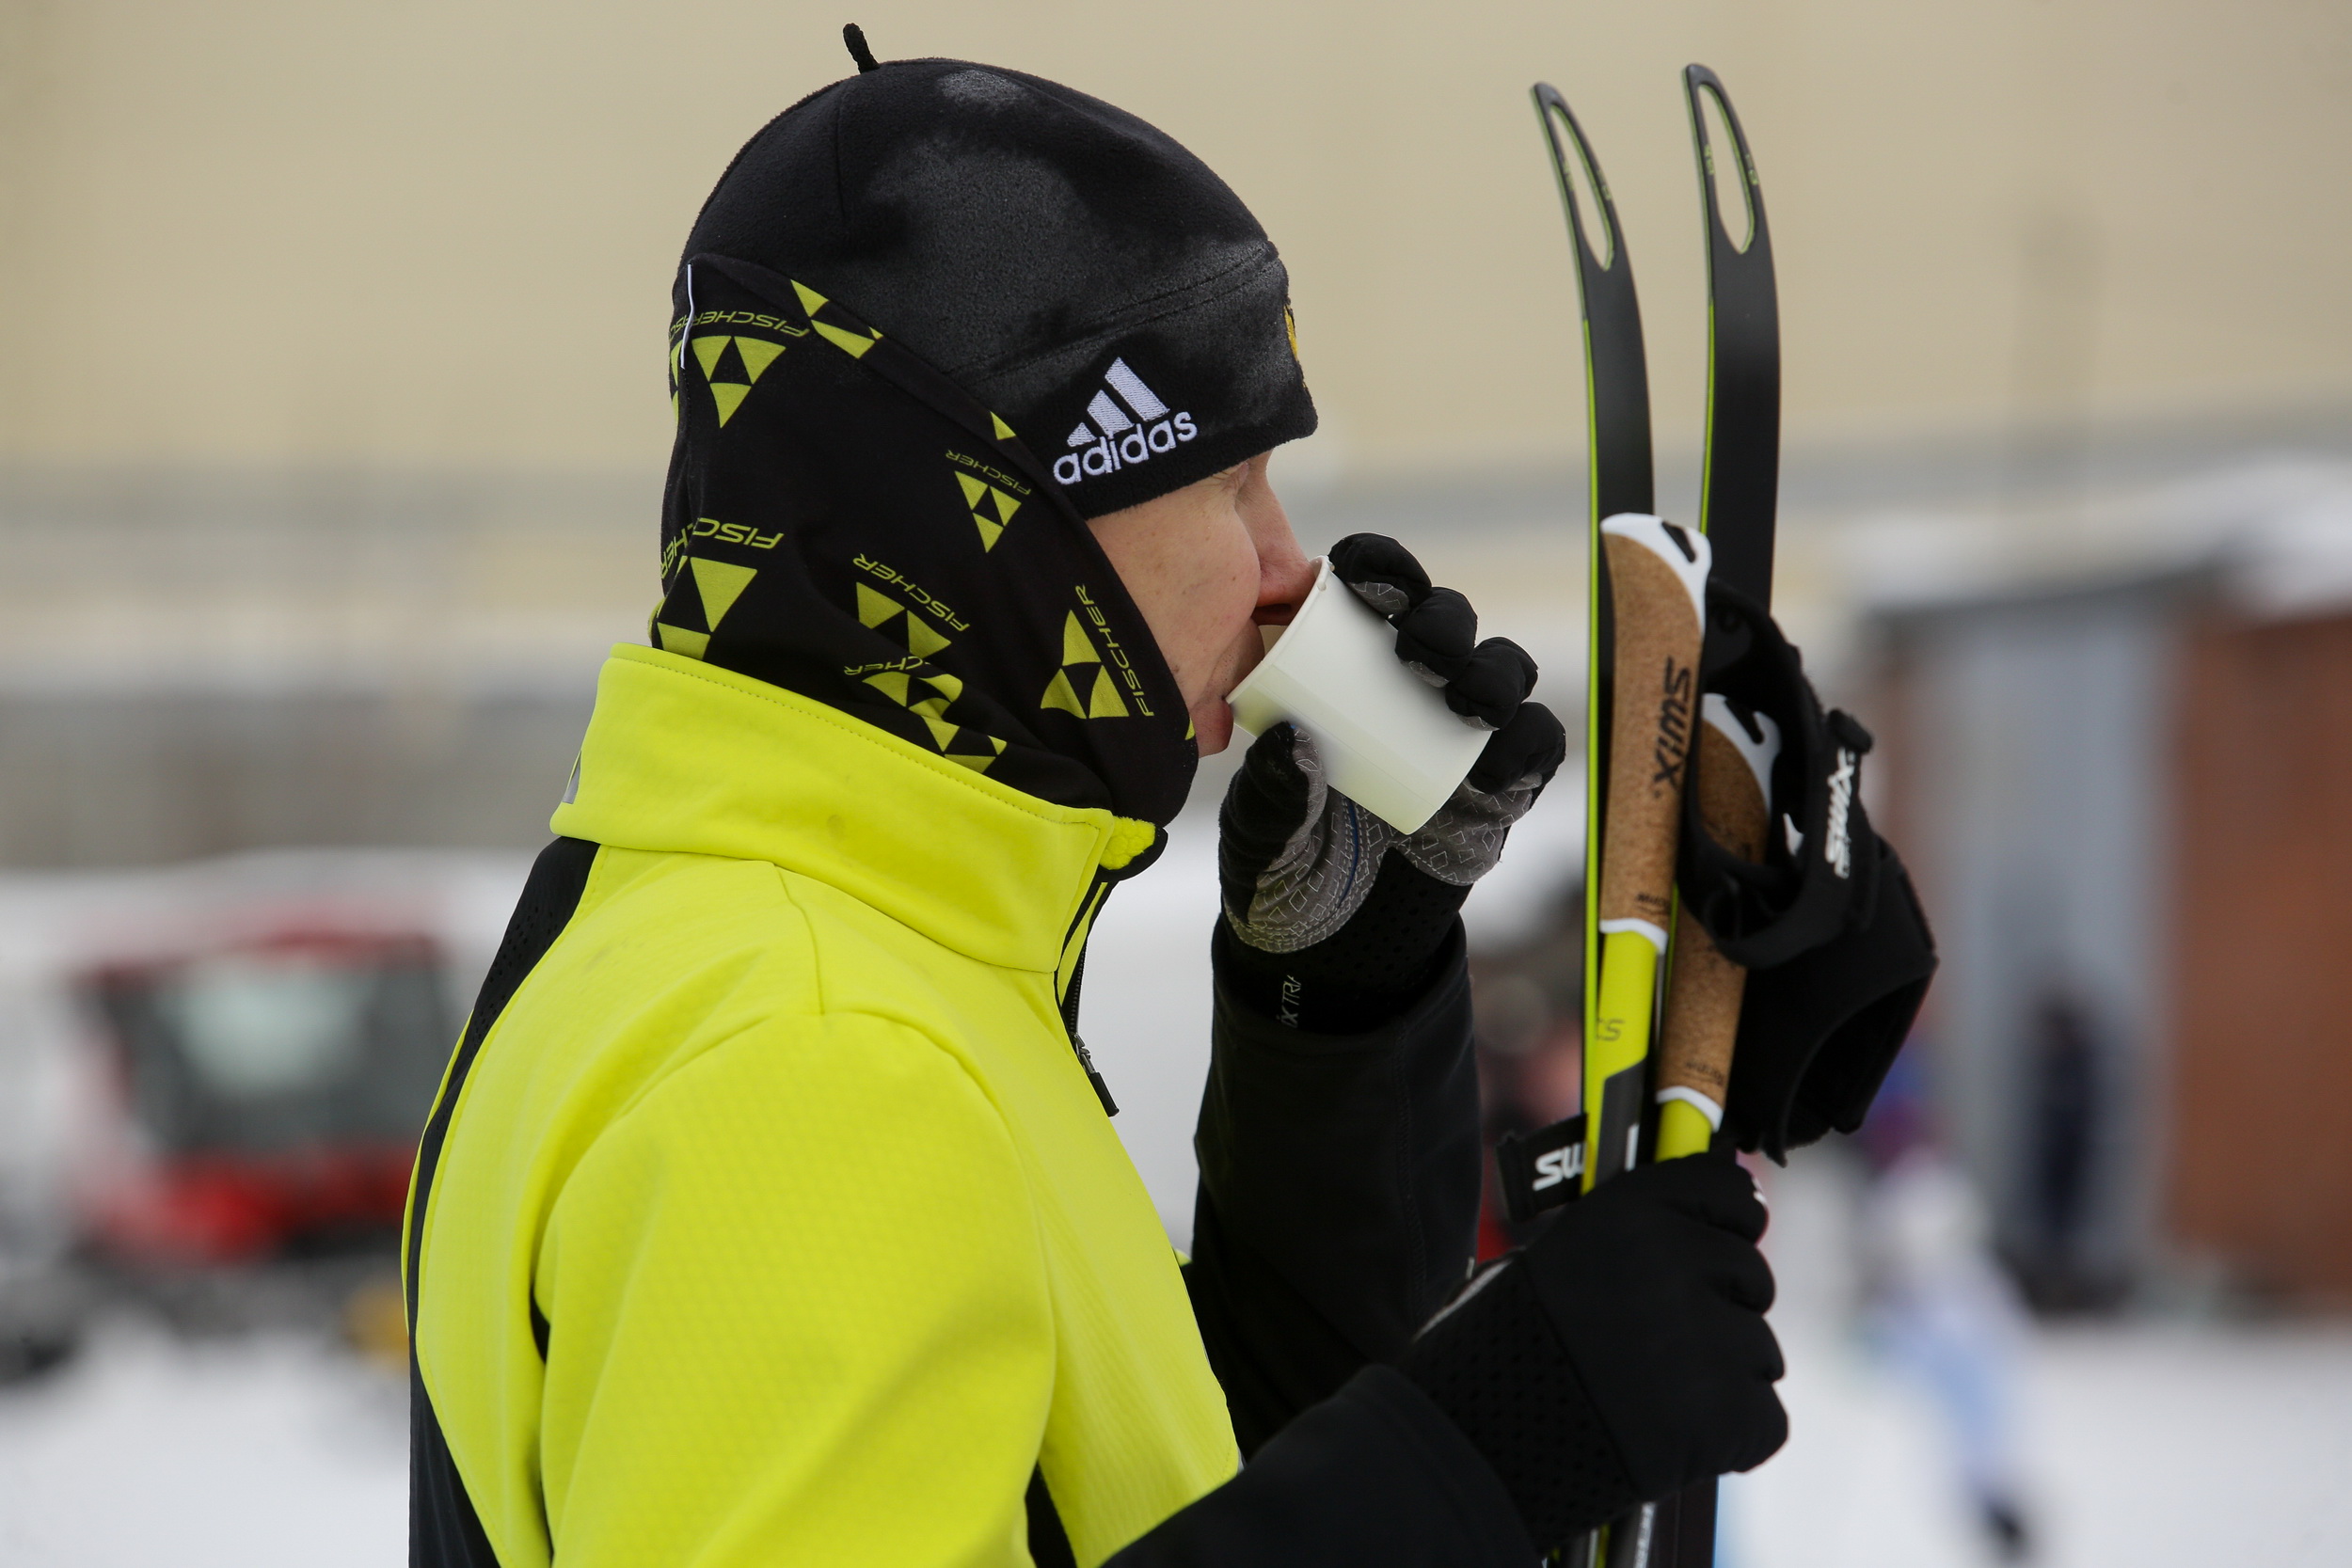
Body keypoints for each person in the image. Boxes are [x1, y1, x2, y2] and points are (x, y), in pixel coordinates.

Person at [404, 38, 1788, 1567]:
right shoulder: (816, 1057)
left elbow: (1142, 1501)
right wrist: (1490, 1447)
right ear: (997, 527)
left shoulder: (731, 930)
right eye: (1230, 485)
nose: (1289, 571)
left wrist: (1340, 1012)